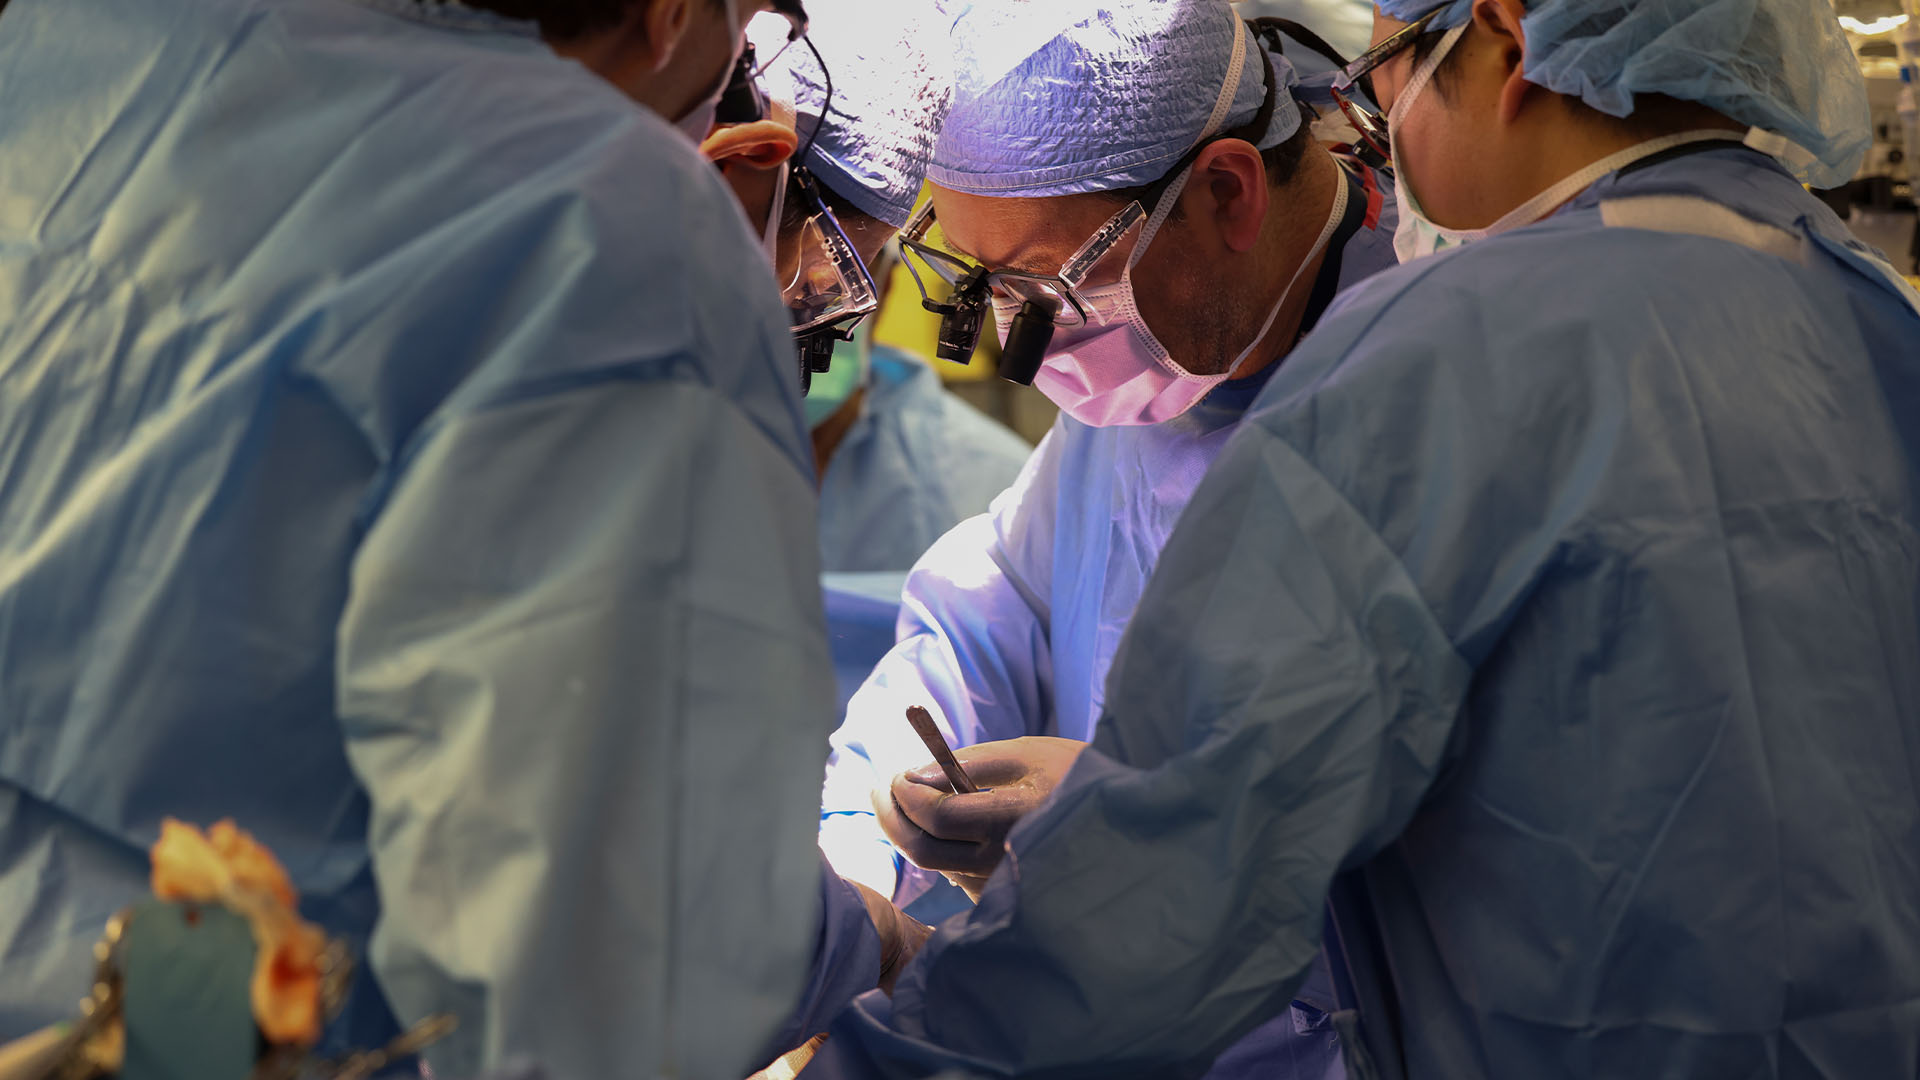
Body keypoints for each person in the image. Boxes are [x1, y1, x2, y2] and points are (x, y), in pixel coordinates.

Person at [814, 0, 1920, 1074]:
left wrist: (896, 1015)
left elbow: (1177, 883)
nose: (1375, 100)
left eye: (1395, 58)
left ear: (1505, 35)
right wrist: (865, 837)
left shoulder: (1440, 355)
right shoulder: (1872, 317)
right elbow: (997, 599)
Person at [0, 0, 923, 1075]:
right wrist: (871, 941)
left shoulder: (67, 41)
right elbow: (612, 944)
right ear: (673, 13)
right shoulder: (605, 220)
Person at [816, 0, 1400, 1073]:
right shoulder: (1164, 382)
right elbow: (1001, 603)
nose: (1013, 344)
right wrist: (863, 835)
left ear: (1225, 191)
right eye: (983, 289)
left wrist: (1145, 832)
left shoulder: (1434, 389)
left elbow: (1475, 850)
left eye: (1049, 286)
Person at [702, 2, 1034, 577]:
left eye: (829, 299)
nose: (803, 319)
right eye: (817, 284)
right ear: (743, 157)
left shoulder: (985, 489)